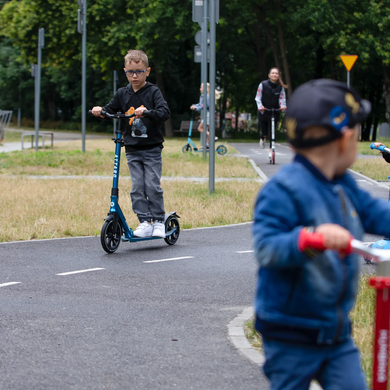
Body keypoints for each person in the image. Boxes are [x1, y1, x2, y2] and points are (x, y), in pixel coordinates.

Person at [252, 79, 390, 390]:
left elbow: (374, 213)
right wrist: (312, 238)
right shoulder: (282, 189)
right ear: (345, 138)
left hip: (335, 332)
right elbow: (266, 248)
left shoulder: (343, 183)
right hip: (289, 333)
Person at [91, 49, 170, 238]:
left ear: (147, 71)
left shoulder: (153, 91)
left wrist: (147, 112)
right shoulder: (122, 93)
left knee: (151, 185)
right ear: (125, 71)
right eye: (130, 72)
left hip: (151, 148)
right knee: (137, 188)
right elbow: (110, 109)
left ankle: (158, 220)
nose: (134, 76)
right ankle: (144, 221)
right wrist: (100, 110)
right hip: (132, 149)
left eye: (139, 71)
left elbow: (164, 112)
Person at [255, 67, 287, 160]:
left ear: (278, 76)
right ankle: (263, 137)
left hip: (275, 111)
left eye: (276, 73)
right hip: (264, 111)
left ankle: (271, 150)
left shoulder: (280, 87)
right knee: (264, 132)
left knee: (273, 132)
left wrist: (283, 107)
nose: (274, 75)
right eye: (273, 73)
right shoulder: (263, 85)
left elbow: (282, 98)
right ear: (269, 75)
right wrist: (260, 107)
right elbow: (258, 97)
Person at [190, 83, 220, 149]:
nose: (200, 89)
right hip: (209, 114)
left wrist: (196, 108)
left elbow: (203, 105)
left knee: (200, 128)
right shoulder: (206, 95)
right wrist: (195, 105)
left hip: (208, 114)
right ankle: (207, 145)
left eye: (201, 88)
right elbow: (201, 104)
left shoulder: (205, 96)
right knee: (205, 130)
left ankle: (213, 137)